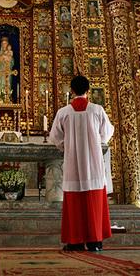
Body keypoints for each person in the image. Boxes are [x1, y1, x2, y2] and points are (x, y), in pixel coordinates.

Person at [49, 76, 114, 252]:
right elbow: (107, 133)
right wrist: (94, 141)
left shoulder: (64, 112)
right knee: (94, 200)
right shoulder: (97, 110)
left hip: (73, 163)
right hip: (93, 162)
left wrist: (67, 147)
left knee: (75, 202)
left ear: (71, 90)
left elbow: (54, 137)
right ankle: (95, 241)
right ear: (88, 90)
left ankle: (75, 241)